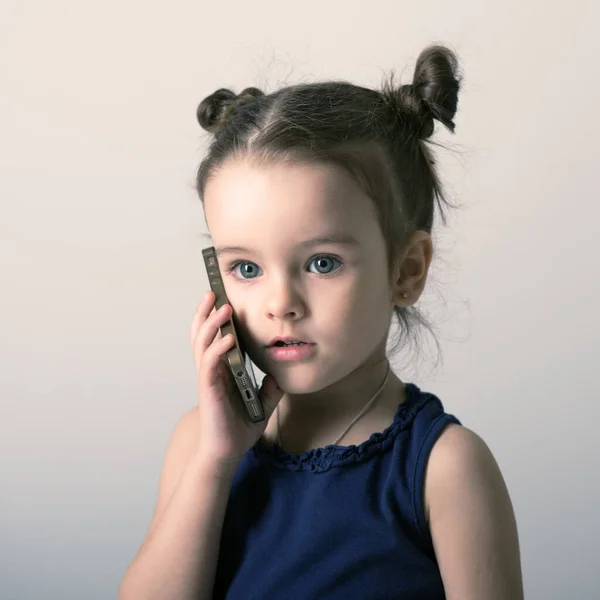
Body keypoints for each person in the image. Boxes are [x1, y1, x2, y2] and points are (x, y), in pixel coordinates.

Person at [119, 45, 524, 600]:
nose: (280, 302)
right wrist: (215, 462)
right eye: (246, 267)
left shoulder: (444, 470)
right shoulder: (199, 443)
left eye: (322, 263)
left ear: (405, 271)